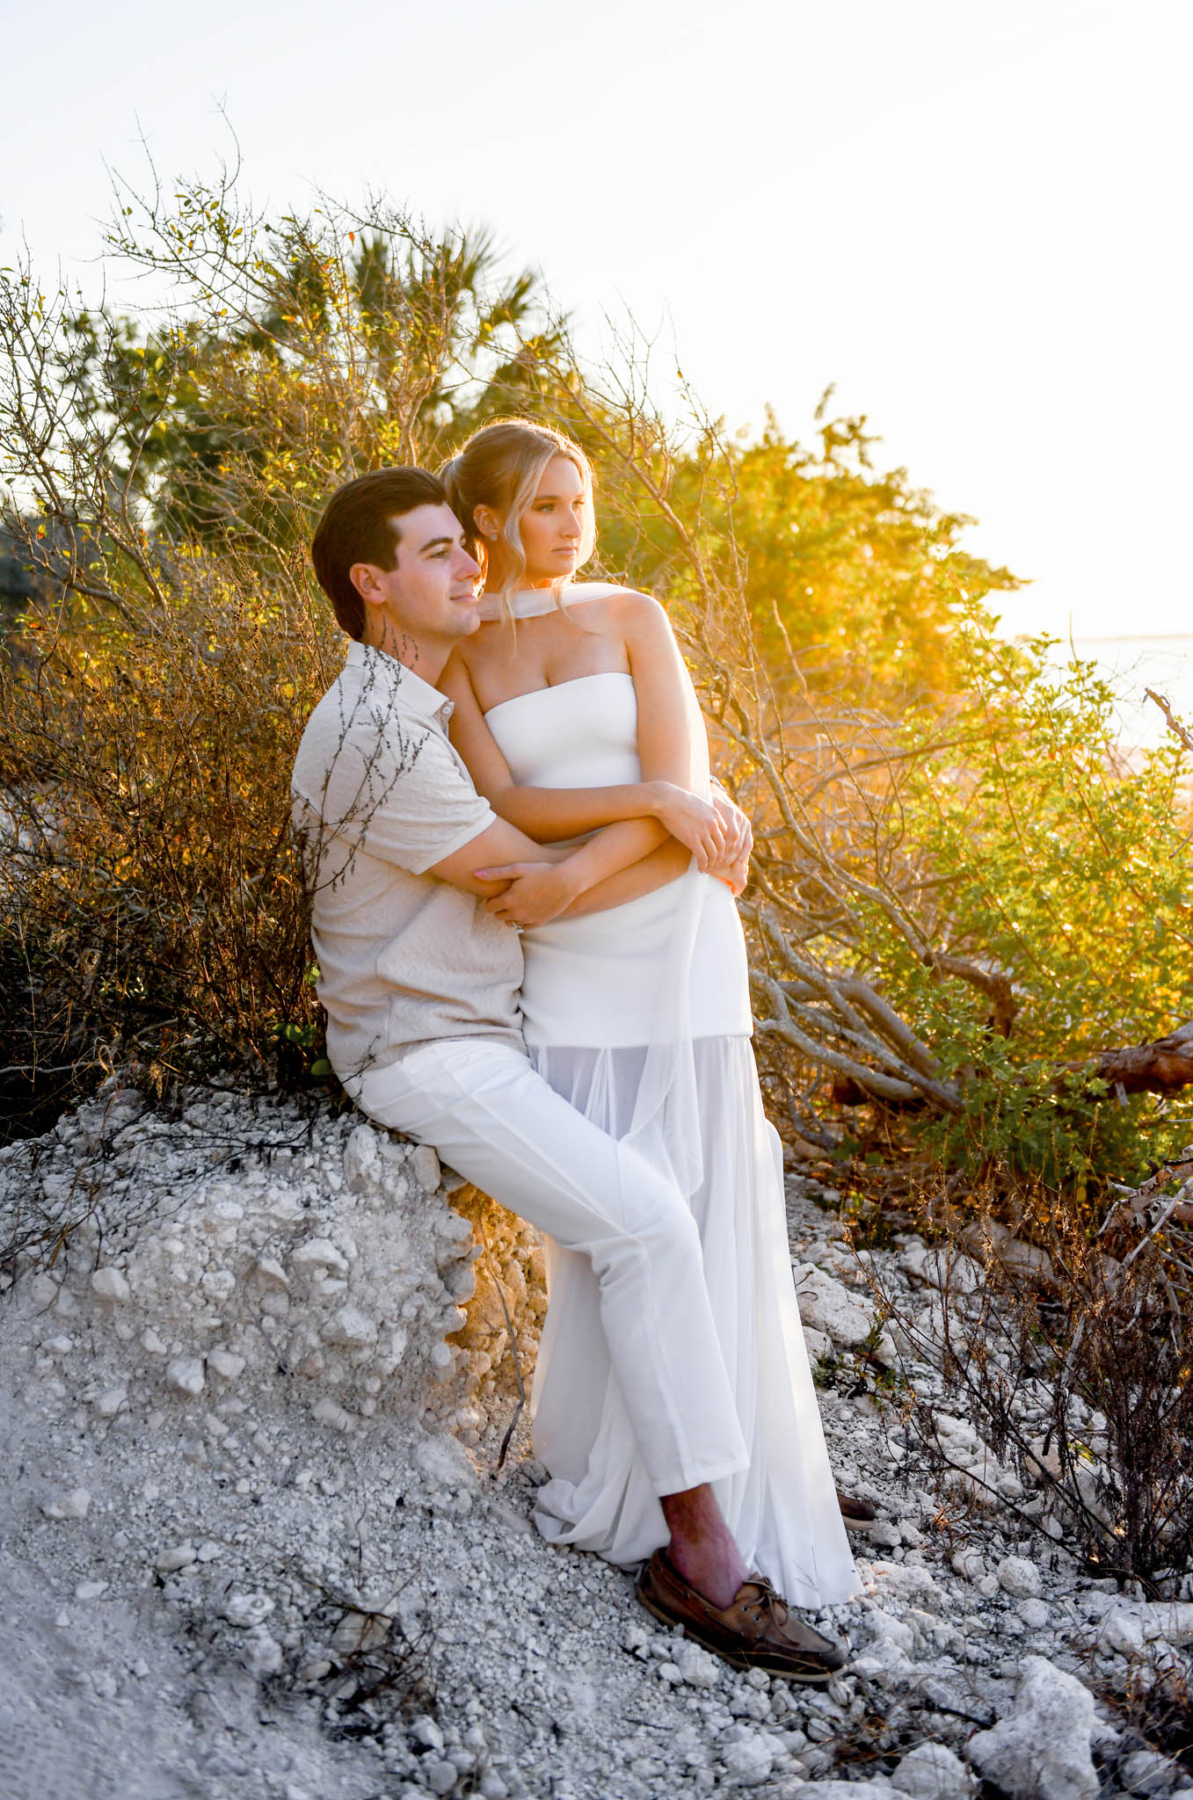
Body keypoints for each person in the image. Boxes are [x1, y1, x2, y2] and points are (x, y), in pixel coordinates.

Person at [292, 464, 847, 1680]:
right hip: (427, 1049)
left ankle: (690, 1504)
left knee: (658, 1202)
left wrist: (684, 801)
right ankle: (700, 1559)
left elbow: (554, 844)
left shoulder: (425, 699)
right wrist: (670, 799)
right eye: (439, 551)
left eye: (462, 544)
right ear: (372, 584)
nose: (468, 566)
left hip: (500, 1028)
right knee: (649, 1221)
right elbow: (525, 877)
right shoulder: (376, 733)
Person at [437, 420, 861, 1616]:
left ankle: (738, 1474)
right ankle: (617, 1473)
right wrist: (661, 808)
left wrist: (579, 873)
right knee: (615, 1210)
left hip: (671, 936)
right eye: (541, 509)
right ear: (485, 524)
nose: (571, 529)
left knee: (709, 1194)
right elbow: (516, 796)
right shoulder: (462, 652)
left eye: (579, 502)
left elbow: (681, 788)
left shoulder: (633, 617)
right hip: (565, 964)